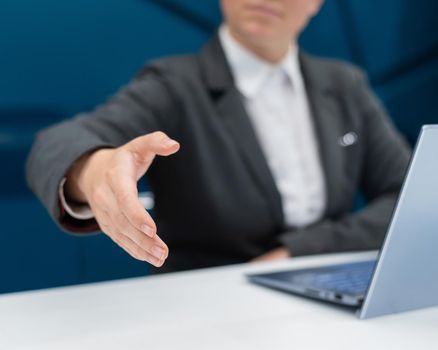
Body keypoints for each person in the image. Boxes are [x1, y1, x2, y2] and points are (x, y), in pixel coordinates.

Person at [26, 0, 411, 272]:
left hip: (322, 288)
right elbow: (58, 142)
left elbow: (407, 197)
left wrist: (299, 251)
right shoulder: (174, 84)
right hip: (207, 306)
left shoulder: (345, 85)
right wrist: (93, 171)